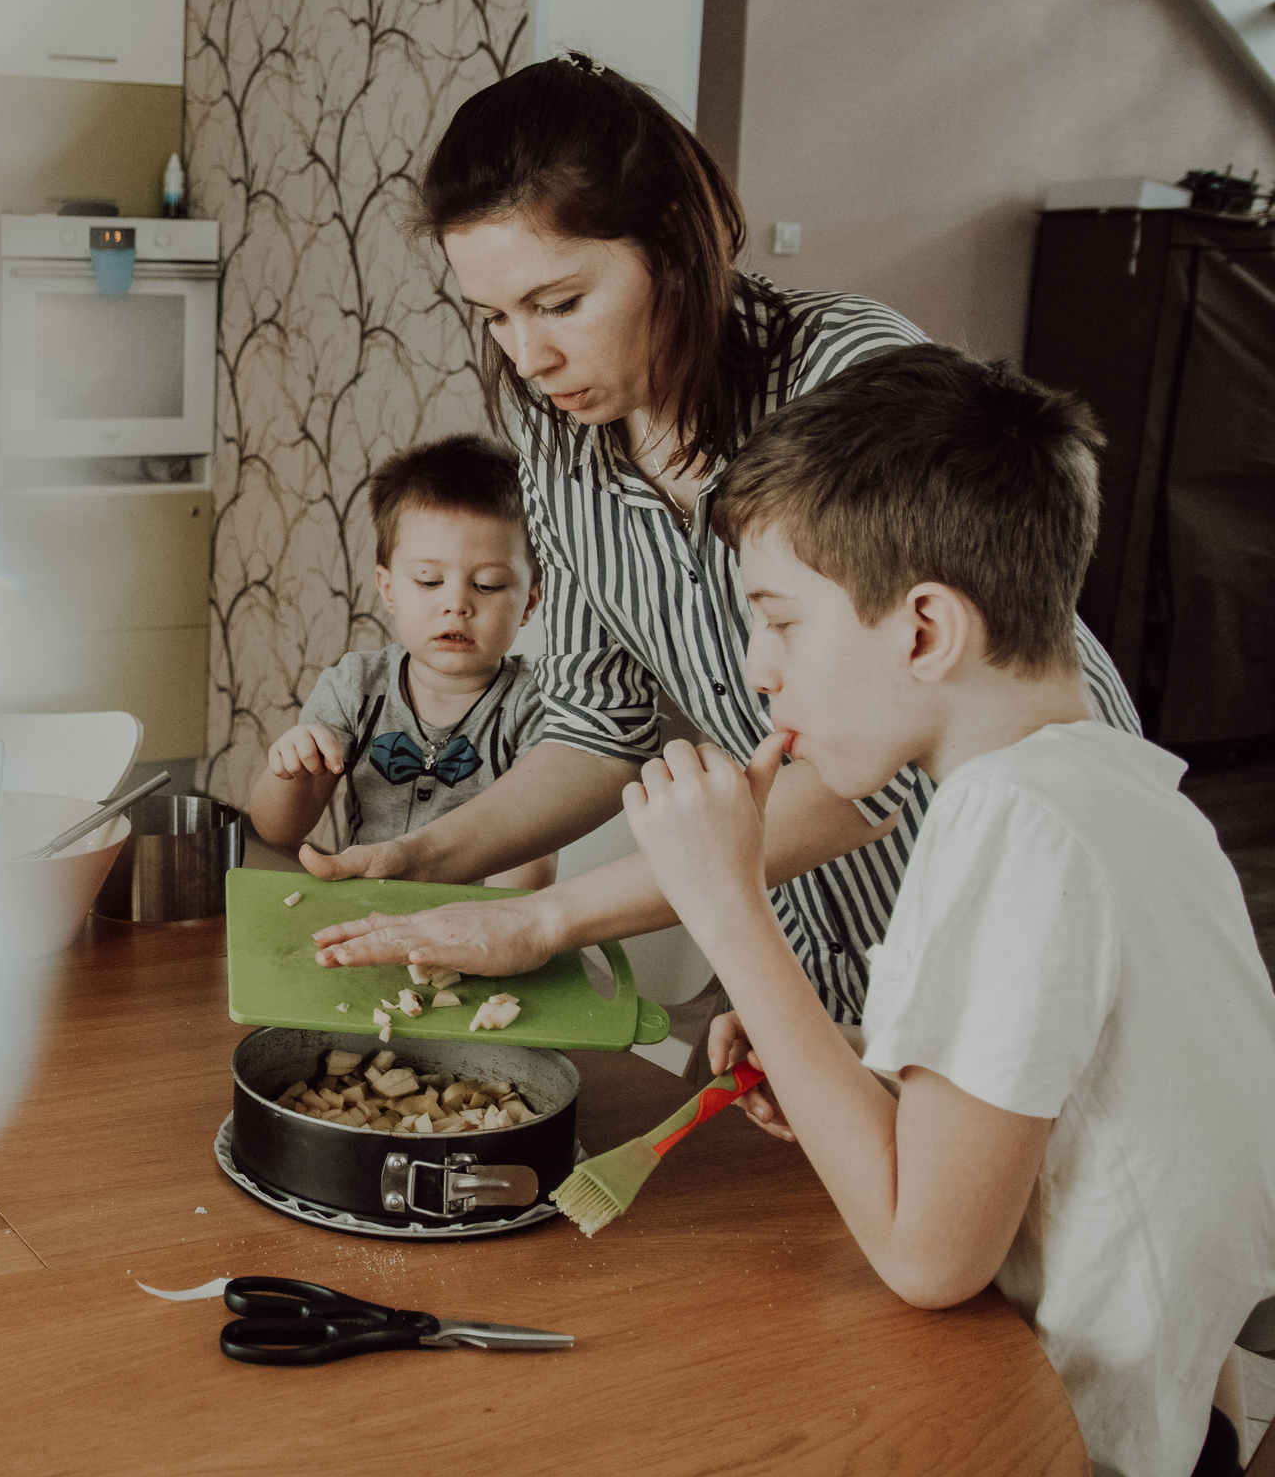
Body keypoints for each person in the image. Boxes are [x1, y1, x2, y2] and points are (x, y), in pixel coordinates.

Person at [303, 53, 1140, 1031]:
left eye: (559, 302)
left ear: (668, 243)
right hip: (823, 947)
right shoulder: (559, 446)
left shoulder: (846, 376)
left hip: (1006, 893)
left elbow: (890, 738)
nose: (527, 360)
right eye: (493, 317)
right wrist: (423, 859)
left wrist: (546, 920)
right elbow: (596, 725)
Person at [615, 345, 1275, 1477]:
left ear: (924, 630)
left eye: (779, 623)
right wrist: (851, 1061)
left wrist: (727, 906)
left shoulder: (1004, 819)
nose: (757, 675)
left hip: (1061, 1469)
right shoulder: (1130, 792)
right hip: (1201, 1427)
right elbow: (1069, 1091)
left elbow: (930, 1259)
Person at [247, 435, 554, 890]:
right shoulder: (357, 686)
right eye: (429, 581)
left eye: (488, 585)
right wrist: (291, 767)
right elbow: (278, 831)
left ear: (529, 602)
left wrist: (495, 933)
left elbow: (532, 857)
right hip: (365, 910)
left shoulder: (535, 704)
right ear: (388, 589)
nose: (457, 604)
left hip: (477, 928)